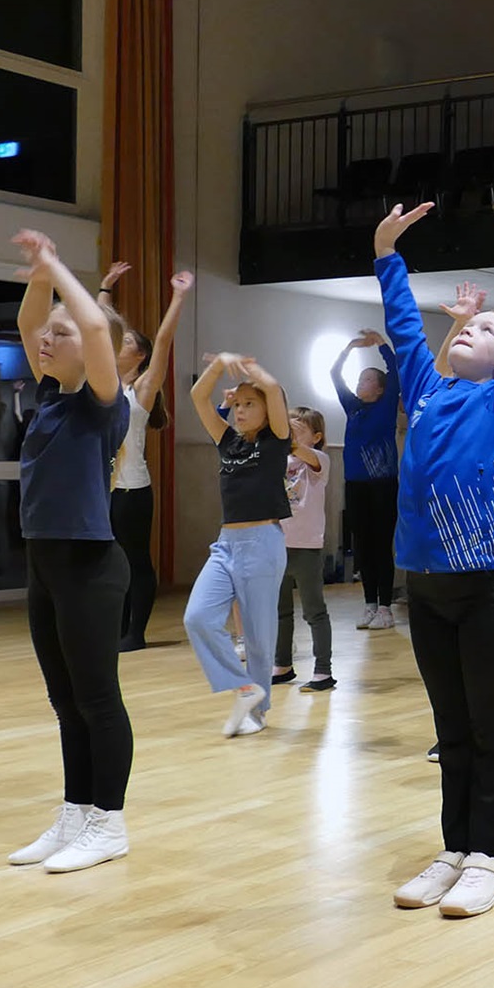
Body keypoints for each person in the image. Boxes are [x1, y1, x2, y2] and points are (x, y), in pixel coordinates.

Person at [375, 203, 494, 917]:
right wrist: (387, 251)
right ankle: (456, 847)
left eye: (487, 330)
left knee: (492, 727)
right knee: (450, 730)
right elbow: (404, 326)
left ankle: (491, 857)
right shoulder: (424, 387)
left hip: (484, 590)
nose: (473, 330)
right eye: (471, 326)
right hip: (426, 589)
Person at [5, 229, 136, 873]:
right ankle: (76, 812)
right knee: (65, 701)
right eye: (47, 335)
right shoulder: (50, 395)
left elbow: (92, 325)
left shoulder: (102, 404)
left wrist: (58, 269)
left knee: (97, 699)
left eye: (62, 333)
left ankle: (110, 822)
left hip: (90, 566)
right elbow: (29, 322)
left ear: (94, 348)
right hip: (45, 563)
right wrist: (39, 276)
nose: (46, 340)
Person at [184, 351, 292, 737]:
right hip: (226, 543)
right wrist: (219, 365)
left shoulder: (277, 441)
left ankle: (257, 713)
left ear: (267, 410)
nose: (241, 410)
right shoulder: (227, 441)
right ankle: (244, 688)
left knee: (260, 639)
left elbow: (274, 389)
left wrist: (251, 371)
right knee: (197, 617)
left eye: (250, 404)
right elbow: (198, 396)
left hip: (262, 544)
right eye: (238, 404)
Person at [105, 265, 188, 651]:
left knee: (134, 560)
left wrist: (179, 297)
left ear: (139, 355)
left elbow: (164, 341)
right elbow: (99, 326)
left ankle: (134, 633)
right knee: (111, 562)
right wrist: (105, 287)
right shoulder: (103, 384)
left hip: (132, 490)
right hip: (103, 490)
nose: (116, 345)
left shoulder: (141, 390)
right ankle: (117, 629)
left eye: (125, 342)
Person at [331, 329, 400, 630]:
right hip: (355, 485)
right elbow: (335, 375)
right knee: (362, 546)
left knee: (382, 545)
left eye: (367, 379)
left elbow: (395, 370)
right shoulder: (353, 408)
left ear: (381, 389)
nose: (360, 383)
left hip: (383, 485)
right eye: (360, 379)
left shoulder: (386, 405)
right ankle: (369, 603)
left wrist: (381, 344)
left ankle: (386, 607)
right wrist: (349, 347)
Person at [272, 406, 335, 692]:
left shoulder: (319, 460)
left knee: (314, 611)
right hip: (277, 544)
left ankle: (323, 670)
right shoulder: (280, 460)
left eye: (300, 427)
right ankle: (282, 664)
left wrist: (289, 436)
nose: (292, 430)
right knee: (280, 610)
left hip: (307, 547)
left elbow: (302, 452)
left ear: (316, 436)